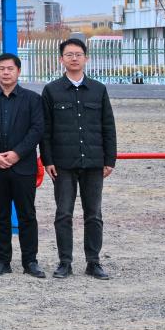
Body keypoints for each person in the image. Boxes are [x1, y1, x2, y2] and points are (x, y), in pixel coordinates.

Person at [42, 37, 117, 280]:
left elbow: (108, 126)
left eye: (78, 54)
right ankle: (65, 262)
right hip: (63, 164)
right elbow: (46, 130)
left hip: (93, 162)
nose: (74, 58)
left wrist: (110, 159)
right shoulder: (51, 90)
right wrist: (47, 160)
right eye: (69, 55)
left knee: (93, 214)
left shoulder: (98, 89)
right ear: (61, 59)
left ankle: (93, 262)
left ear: (86, 58)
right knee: (64, 213)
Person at [0, 52, 45, 278]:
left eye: (10, 69)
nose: (6, 72)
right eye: (1, 68)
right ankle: (2, 260)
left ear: (18, 71)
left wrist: (17, 154)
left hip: (23, 167)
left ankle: (30, 261)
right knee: (1, 215)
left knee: (27, 215)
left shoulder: (32, 99)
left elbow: (37, 129)